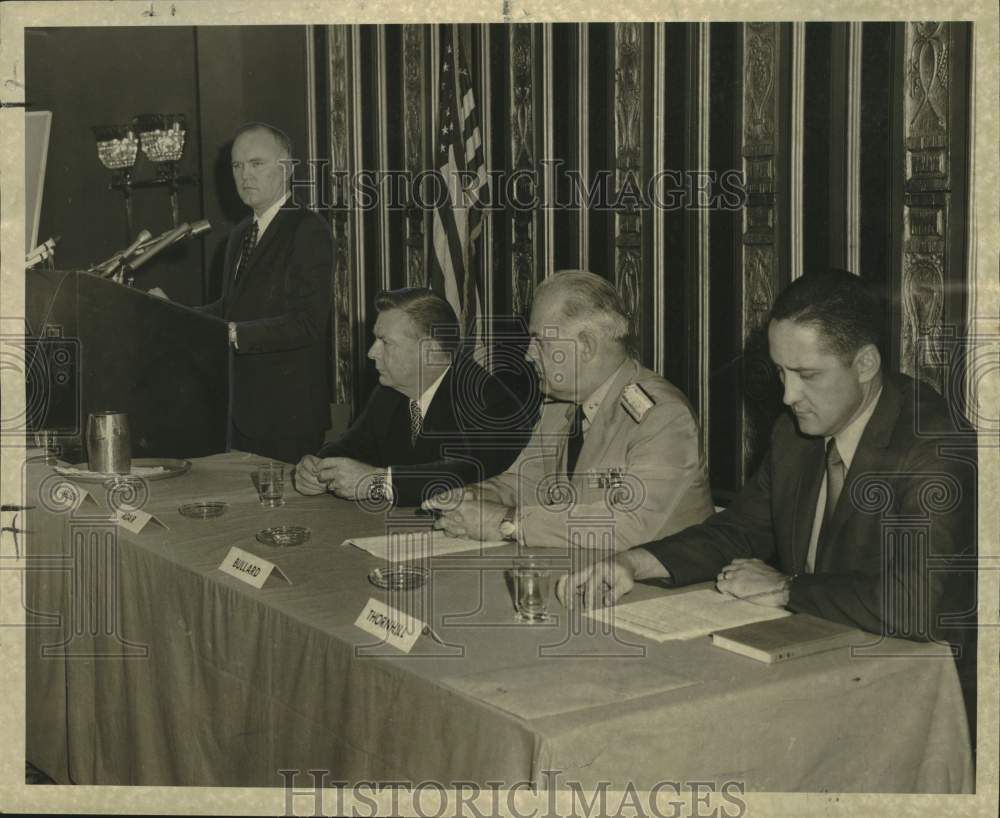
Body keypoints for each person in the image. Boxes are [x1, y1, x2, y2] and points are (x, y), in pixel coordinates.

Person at [557, 269, 977, 737]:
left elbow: (919, 603)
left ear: (865, 364)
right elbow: (740, 528)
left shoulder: (936, 447)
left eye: (807, 375)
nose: (788, 395)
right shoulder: (795, 433)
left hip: (912, 697)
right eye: (780, 371)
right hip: (817, 662)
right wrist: (633, 563)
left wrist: (784, 588)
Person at [425, 270, 715, 548]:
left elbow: (631, 523)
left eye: (540, 340)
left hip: (662, 588)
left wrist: (508, 521)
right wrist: (473, 496)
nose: (528, 354)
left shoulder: (662, 416)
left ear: (585, 346)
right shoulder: (560, 406)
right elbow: (526, 481)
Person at [294, 288, 537, 506]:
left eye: (385, 342)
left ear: (429, 350)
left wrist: (376, 482)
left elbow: (462, 473)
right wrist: (318, 467)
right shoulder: (389, 392)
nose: (371, 353)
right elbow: (353, 445)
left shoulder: (490, 399)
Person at [200, 122, 334, 464]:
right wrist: (176, 314)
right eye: (237, 165)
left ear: (286, 169)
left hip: (286, 417)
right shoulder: (239, 235)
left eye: (256, 163)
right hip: (238, 412)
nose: (245, 175)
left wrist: (234, 334)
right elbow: (230, 307)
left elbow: (309, 322)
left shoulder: (308, 229)